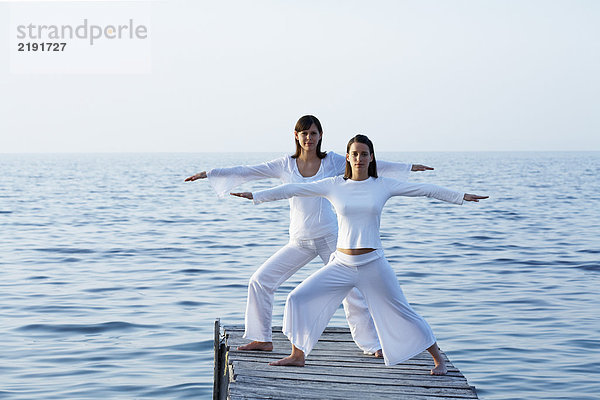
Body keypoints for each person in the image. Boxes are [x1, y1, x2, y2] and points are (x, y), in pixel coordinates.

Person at [231, 134, 488, 375]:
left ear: (371, 158)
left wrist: (461, 197)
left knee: (402, 311)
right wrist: (256, 196)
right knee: (298, 298)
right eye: (354, 154)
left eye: (364, 154)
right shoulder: (334, 185)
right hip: (341, 264)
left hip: (373, 264)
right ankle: (298, 354)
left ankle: (438, 359)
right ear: (347, 157)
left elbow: (426, 190)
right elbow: (294, 190)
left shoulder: (382, 185)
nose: (359, 158)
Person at [186, 116, 434, 356]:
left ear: (320, 136)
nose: (309, 138)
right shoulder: (285, 164)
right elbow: (249, 170)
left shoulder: (333, 162)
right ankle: (262, 338)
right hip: (299, 241)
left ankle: (370, 344)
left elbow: (369, 162)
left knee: (352, 295)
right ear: (297, 136)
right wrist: (210, 173)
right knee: (260, 281)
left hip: (329, 238)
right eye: (304, 133)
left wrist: (409, 167)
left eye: (313, 133)